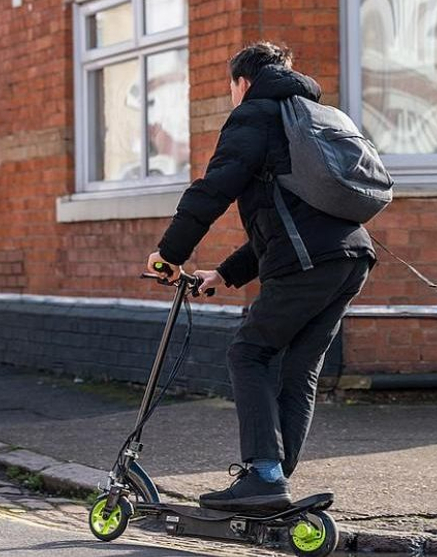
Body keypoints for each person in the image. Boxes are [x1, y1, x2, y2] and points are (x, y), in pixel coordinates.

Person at [146, 42, 375, 513]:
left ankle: (264, 477)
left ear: (242, 83)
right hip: (350, 256)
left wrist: (170, 254)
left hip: (308, 263)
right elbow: (286, 218)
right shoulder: (308, 117)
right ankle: (272, 484)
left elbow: (213, 190)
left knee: (248, 352)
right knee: (298, 370)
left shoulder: (254, 115)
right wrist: (225, 274)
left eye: (231, 87)